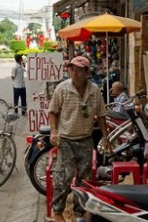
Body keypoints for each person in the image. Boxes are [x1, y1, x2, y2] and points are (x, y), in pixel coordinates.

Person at [48, 56, 111, 222]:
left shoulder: (94, 90)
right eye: (72, 69)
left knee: (85, 178)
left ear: (86, 72)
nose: (75, 73)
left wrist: (106, 137)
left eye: (79, 70)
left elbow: (102, 115)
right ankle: (57, 211)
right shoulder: (62, 89)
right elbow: (53, 111)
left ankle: (78, 210)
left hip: (85, 138)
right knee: (64, 175)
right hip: (66, 139)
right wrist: (54, 131)